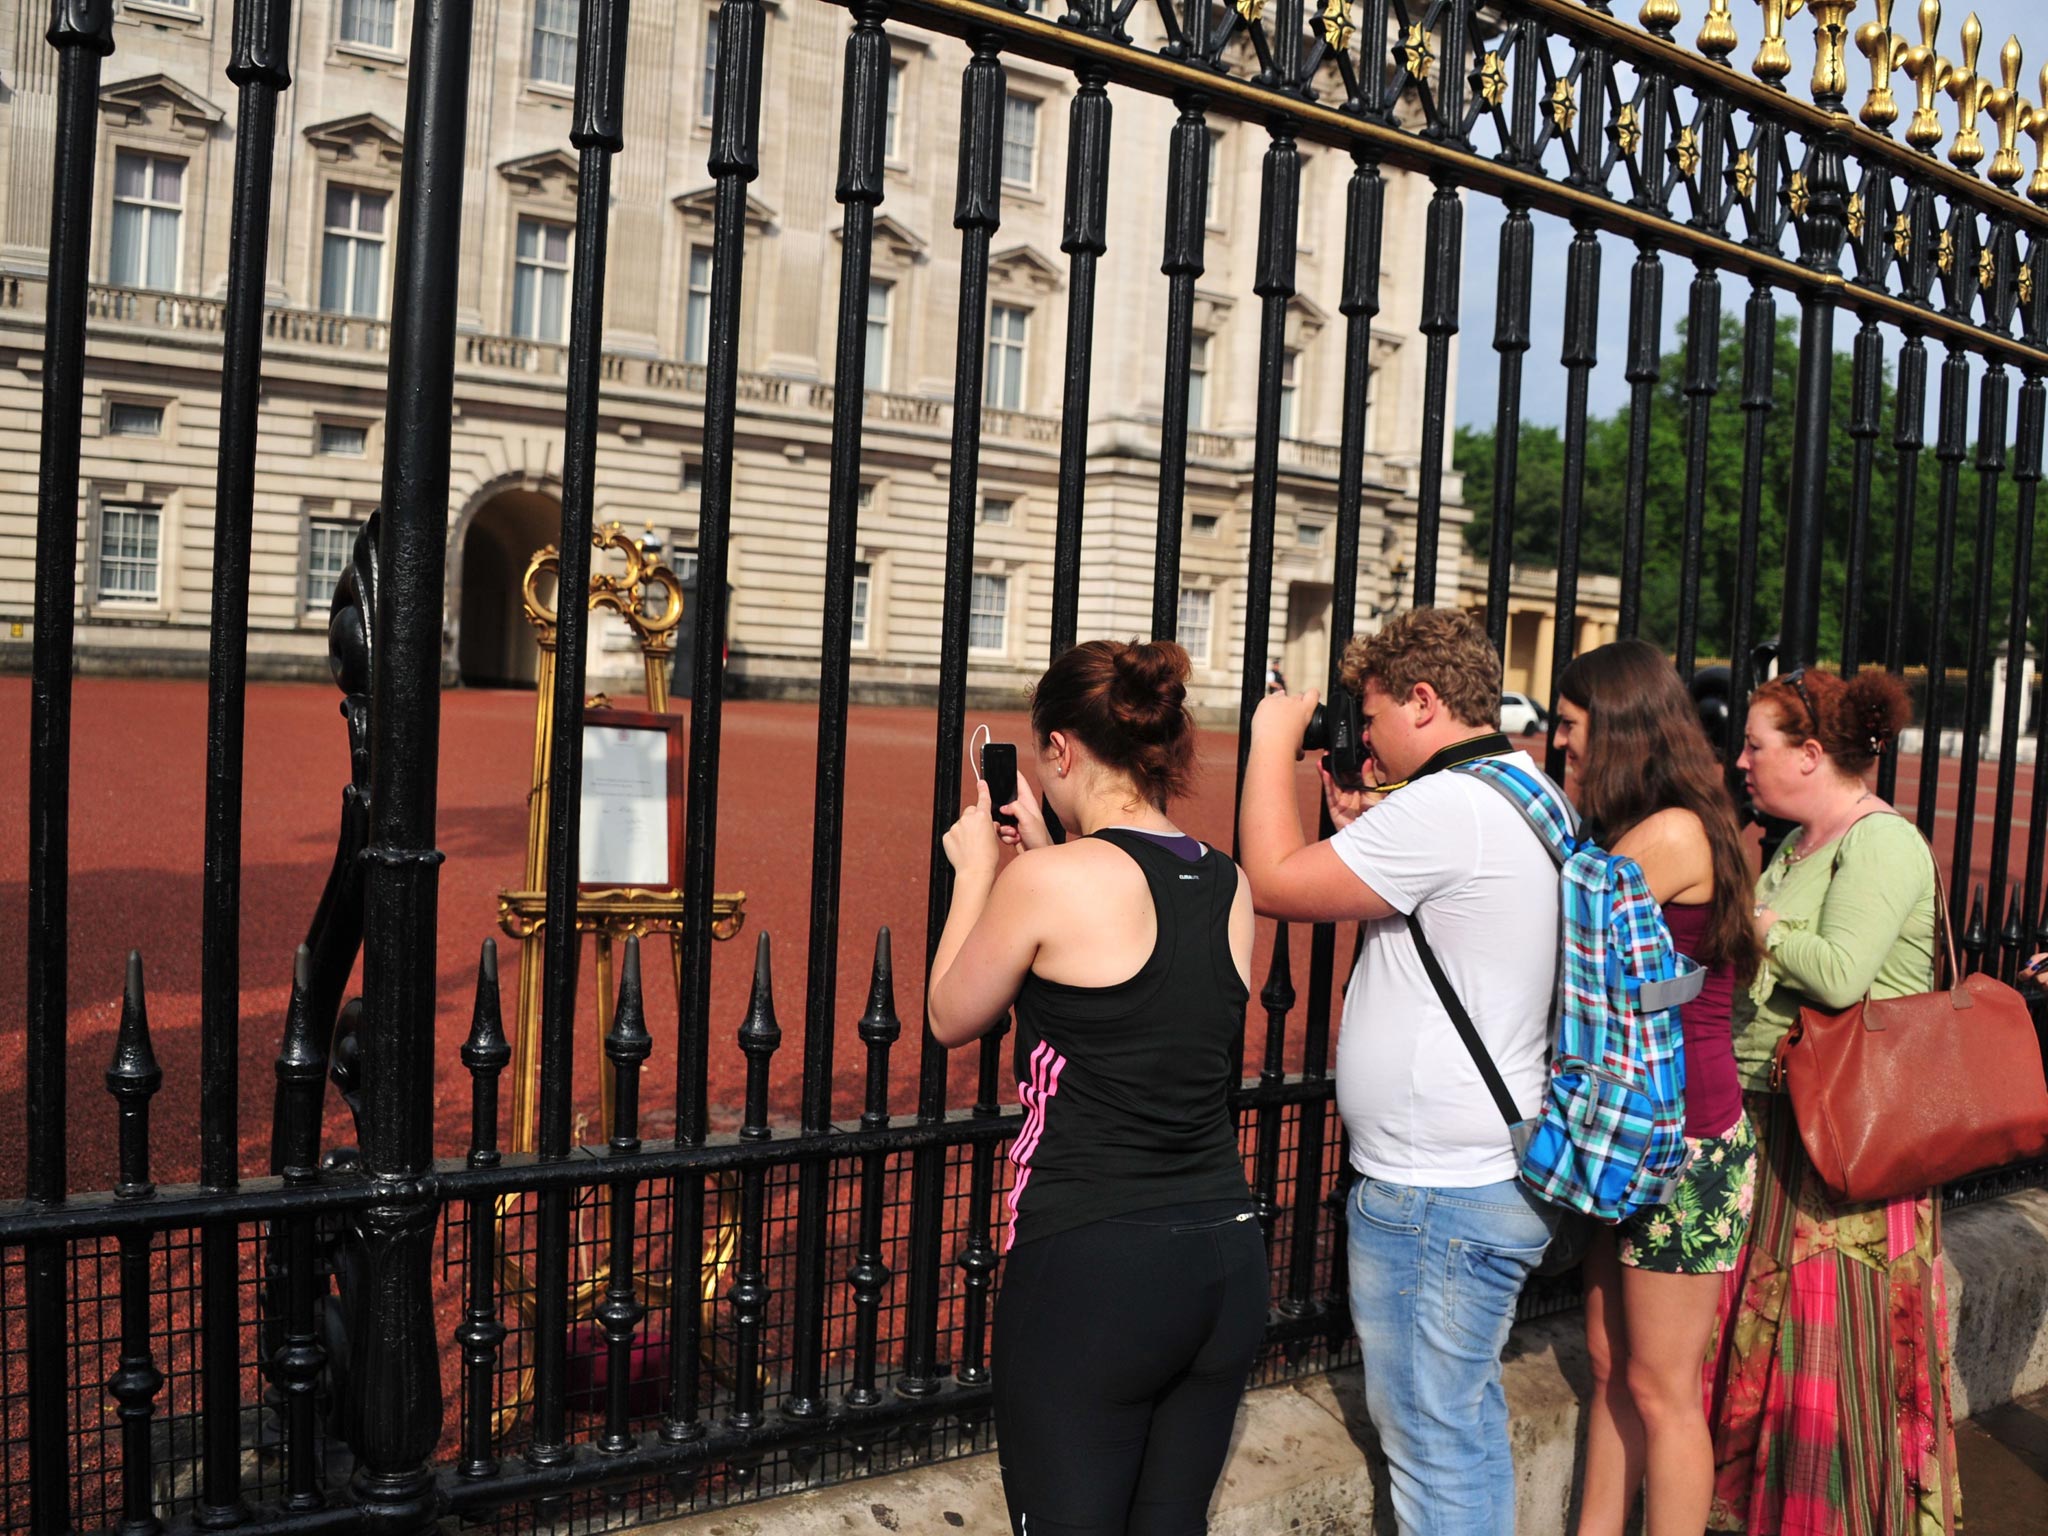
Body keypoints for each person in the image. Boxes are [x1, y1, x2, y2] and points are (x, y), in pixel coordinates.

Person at [926, 638, 1263, 1536]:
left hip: (1094, 1260)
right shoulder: (1226, 879)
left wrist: (978, 876)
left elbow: (950, 1012)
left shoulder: (1044, 880)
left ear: (1063, 750)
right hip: (1223, 1252)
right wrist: (1049, 851)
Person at [1239, 606, 1561, 1536]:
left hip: (1435, 1192)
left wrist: (1268, 742)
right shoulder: (1516, 786)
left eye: (1372, 717)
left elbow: (1273, 880)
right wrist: (1364, 819)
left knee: (1431, 1444)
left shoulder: (1449, 808)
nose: (1364, 745)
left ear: (1424, 702)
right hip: (1484, 1167)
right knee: (1459, 1426)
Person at [1706, 665, 1958, 1535]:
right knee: (1776, 1351)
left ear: (1811, 754)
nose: (1741, 760)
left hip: (1848, 1152)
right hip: (1788, 1129)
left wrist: (1760, 919)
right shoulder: (1800, 839)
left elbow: (1844, 978)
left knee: (1830, 1361)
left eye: (1756, 744)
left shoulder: (1877, 841)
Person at [1550, 641, 1761, 1536]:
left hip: (1691, 1147)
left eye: (1569, 727)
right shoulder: (1652, 827)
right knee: (1609, 1365)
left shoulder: (1671, 831)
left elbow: (1567, 905)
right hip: (1632, 1133)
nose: (1554, 744)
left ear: (1619, 729)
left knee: (1661, 1387)